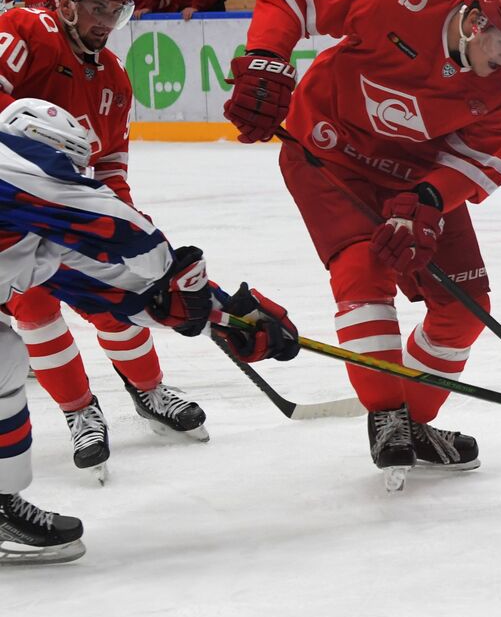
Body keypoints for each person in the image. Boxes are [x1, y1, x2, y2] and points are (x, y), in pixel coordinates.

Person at [222, 0, 501, 490]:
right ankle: (386, 413)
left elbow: (477, 162)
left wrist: (428, 200)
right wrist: (266, 61)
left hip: (413, 177)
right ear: (473, 22)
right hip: (327, 149)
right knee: (363, 270)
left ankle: (413, 422)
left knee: (466, 308)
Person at [0, 96, 298, 563]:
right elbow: (120, 227)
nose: (72, 178)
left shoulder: (25, 231)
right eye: (65, 166)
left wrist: (230, 316)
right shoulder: (14, 164)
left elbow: (115, 289)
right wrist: (171, 271)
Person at [0, 0, 227, 480]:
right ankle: (80, 411)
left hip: (73, 217)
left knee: (120, 303)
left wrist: (119, 223)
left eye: (116, 14)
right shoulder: (24, 30)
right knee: (35, 313)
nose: (107, 25)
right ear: (68, 1)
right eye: (99, 9)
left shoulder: (115, 80)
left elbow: (109, 169)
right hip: (13, 217)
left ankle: (149, 392)